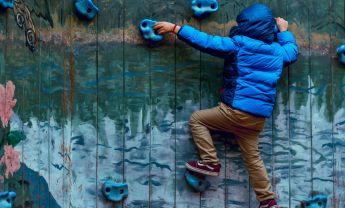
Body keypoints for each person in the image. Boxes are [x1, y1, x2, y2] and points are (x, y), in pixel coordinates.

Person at [154, 3, 298, 208]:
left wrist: (176, 28)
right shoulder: (277, 52)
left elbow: (207, 42)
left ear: (246, 25)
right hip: (257, 119)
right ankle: (268, 202)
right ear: (268, 28)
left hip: (235, 111)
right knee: (253, 159)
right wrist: (284, 32)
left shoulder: (238, 44)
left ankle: (210, 162)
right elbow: (292, 52)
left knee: (197, 120)